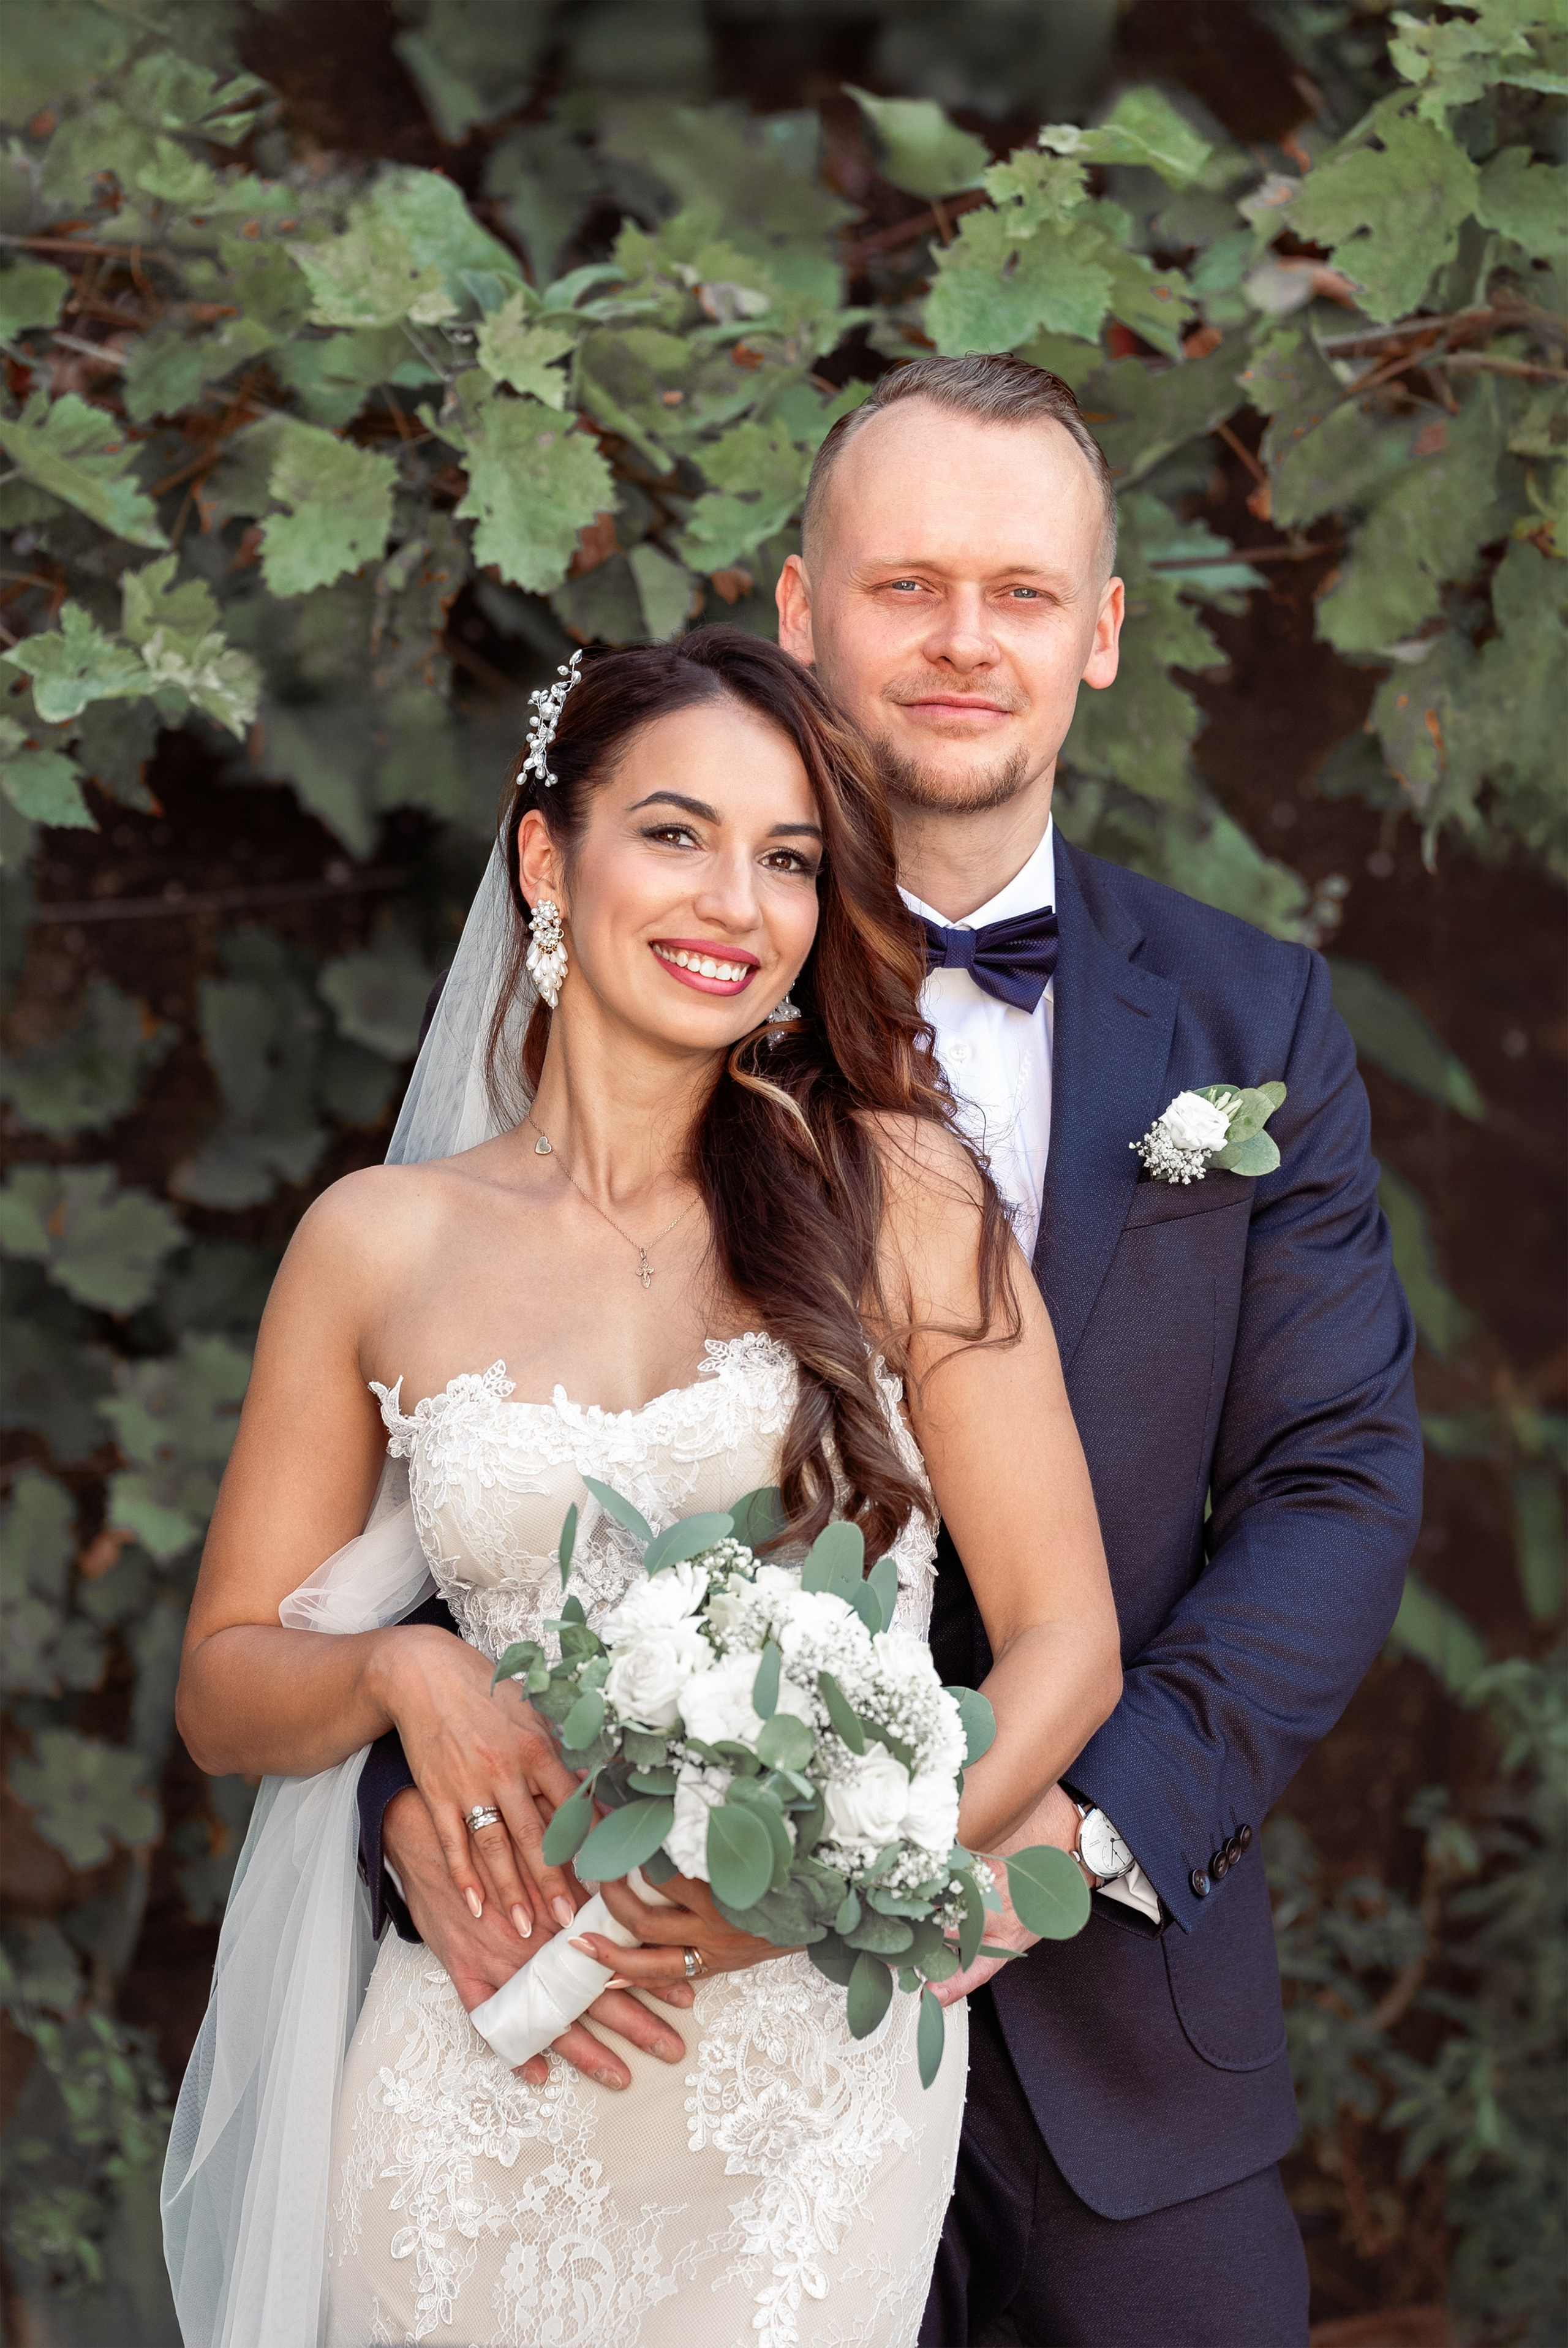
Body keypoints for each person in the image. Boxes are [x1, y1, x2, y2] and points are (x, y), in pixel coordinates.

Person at [364, 355, 1424, 2347]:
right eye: (905, 584)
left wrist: (1063, 1840)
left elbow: (1337, 1484)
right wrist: (400, 1785)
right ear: (795, 611)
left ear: (1101, 636)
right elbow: (437, 1458)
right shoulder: (639, 982)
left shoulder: (1245, 1019)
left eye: (1022, 592)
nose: (962, 641)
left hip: (1117, 2034)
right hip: (664, 2015)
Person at [163, 627, 1121, 2347]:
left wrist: (836, 1874)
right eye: (676, 832)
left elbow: (1064, 1643)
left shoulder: (898, 1191)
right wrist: (408, 1668)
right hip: (482, 2035)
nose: (733, 903)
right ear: (549, 852)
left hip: (804, 2079)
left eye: (788, 858)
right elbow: (227, 1684)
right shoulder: (377, 1243)